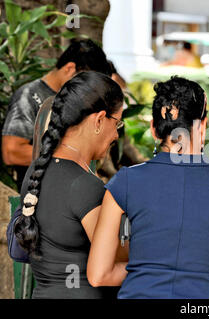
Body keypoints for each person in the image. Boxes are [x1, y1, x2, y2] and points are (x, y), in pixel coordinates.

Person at [87, 76, 209, 298]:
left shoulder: (124, 182)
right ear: (203, 127)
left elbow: (98, 275)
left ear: (153, 129)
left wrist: (148, 271)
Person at [13, 71, 126, 299]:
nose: (116, 134)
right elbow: (115, 261)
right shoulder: (83, 186)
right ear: (99, 120)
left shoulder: (36, 171)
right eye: (117, 122)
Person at [2, 39, 112, 190]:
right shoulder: (30, 96)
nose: (87, 91)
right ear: (69, 68)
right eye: (85, 82)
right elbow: (12, 152)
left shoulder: (79, 101)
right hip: (37, 197)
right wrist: (71, 153)